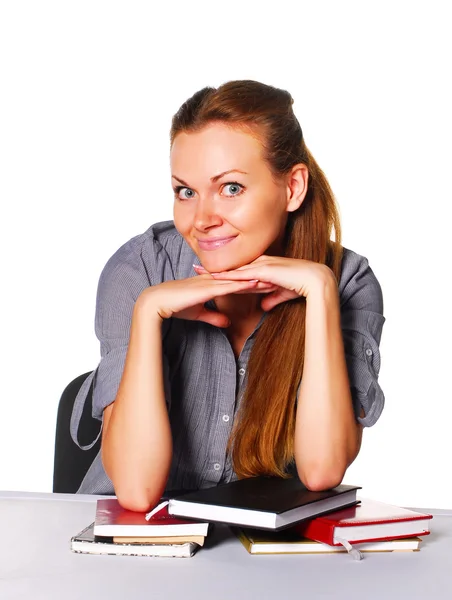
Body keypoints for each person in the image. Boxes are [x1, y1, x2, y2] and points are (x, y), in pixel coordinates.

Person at [70, 80, 386, 512]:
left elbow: (322, 471)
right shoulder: (140, 269)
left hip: (255, 557)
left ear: (292, 188)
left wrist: (321, 293)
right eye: (186, 191)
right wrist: (148, 313)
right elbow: (137, 492)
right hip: (132, 547)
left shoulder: (347, 282)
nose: (202, 219)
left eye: (231, 188)